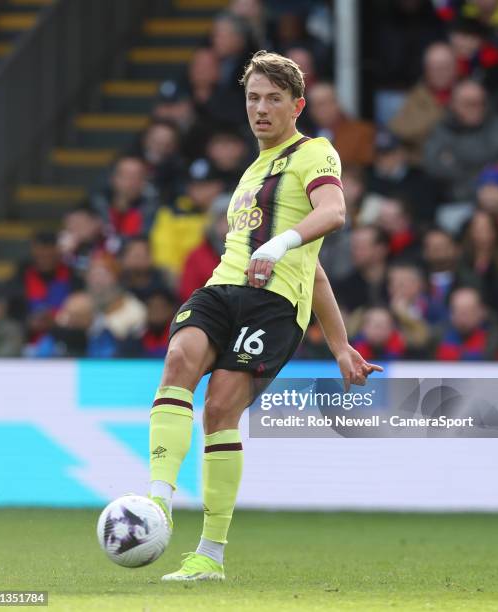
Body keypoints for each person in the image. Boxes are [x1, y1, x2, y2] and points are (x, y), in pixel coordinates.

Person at [147, 50, 382, 582]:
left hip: (274, 306)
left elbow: (333, 215)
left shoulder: (315, 152)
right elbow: (315, 271)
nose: (261, 108)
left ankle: (209, 553)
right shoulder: (250, 173)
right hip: (221, 288)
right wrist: (342, 344)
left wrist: (281, 247)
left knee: (220, 410)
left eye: (273, 98)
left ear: (297, 105)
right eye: (253, 97)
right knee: (179, 358)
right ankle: (157, 500)